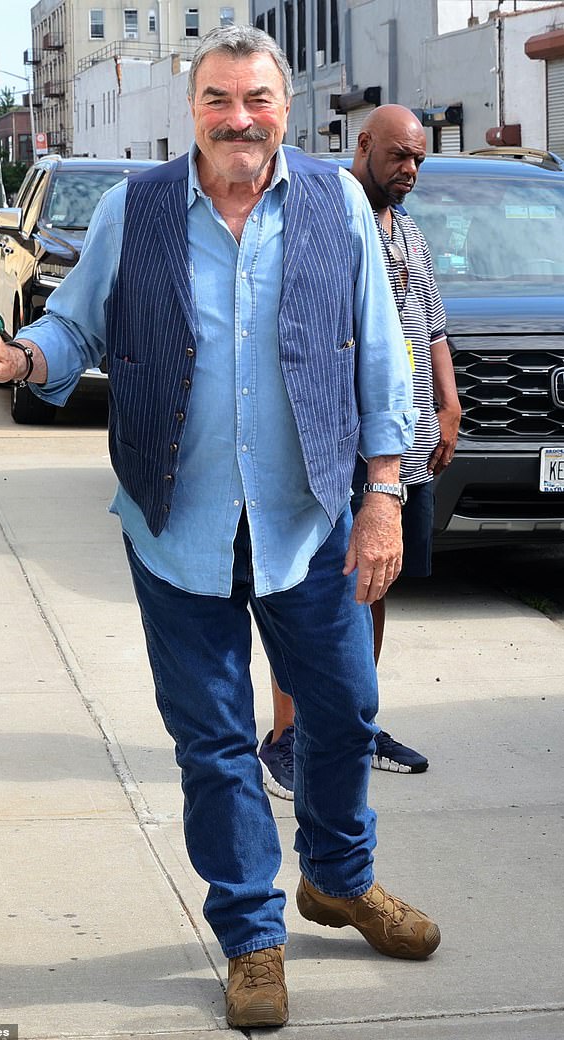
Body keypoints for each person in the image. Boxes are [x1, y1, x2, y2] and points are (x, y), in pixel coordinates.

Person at [0, 31, 441, 1030]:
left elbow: (381, 354)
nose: (238, 118)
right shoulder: (140, 208)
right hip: (177, 521)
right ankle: (250, 933)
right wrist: (25, 356)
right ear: (192, 107)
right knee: (212, 742)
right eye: (218, 99)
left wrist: (383, 490)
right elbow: (75, 325)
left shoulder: (336, 203)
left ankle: (337, 876)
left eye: (256, 98)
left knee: (340, 716)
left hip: (308, 520)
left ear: (286, 107)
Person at [259, 105, 461, 798]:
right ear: (364, 144)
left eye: (419, 161)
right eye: (400, 157)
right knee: (306, 590)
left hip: (399, 446)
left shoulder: (407, 231)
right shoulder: (325, 222)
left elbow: (431, 326)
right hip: (337, 438)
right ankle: (288, 735)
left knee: (374, 584)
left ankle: (353, 722)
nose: (409, 171)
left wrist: (448, 402)